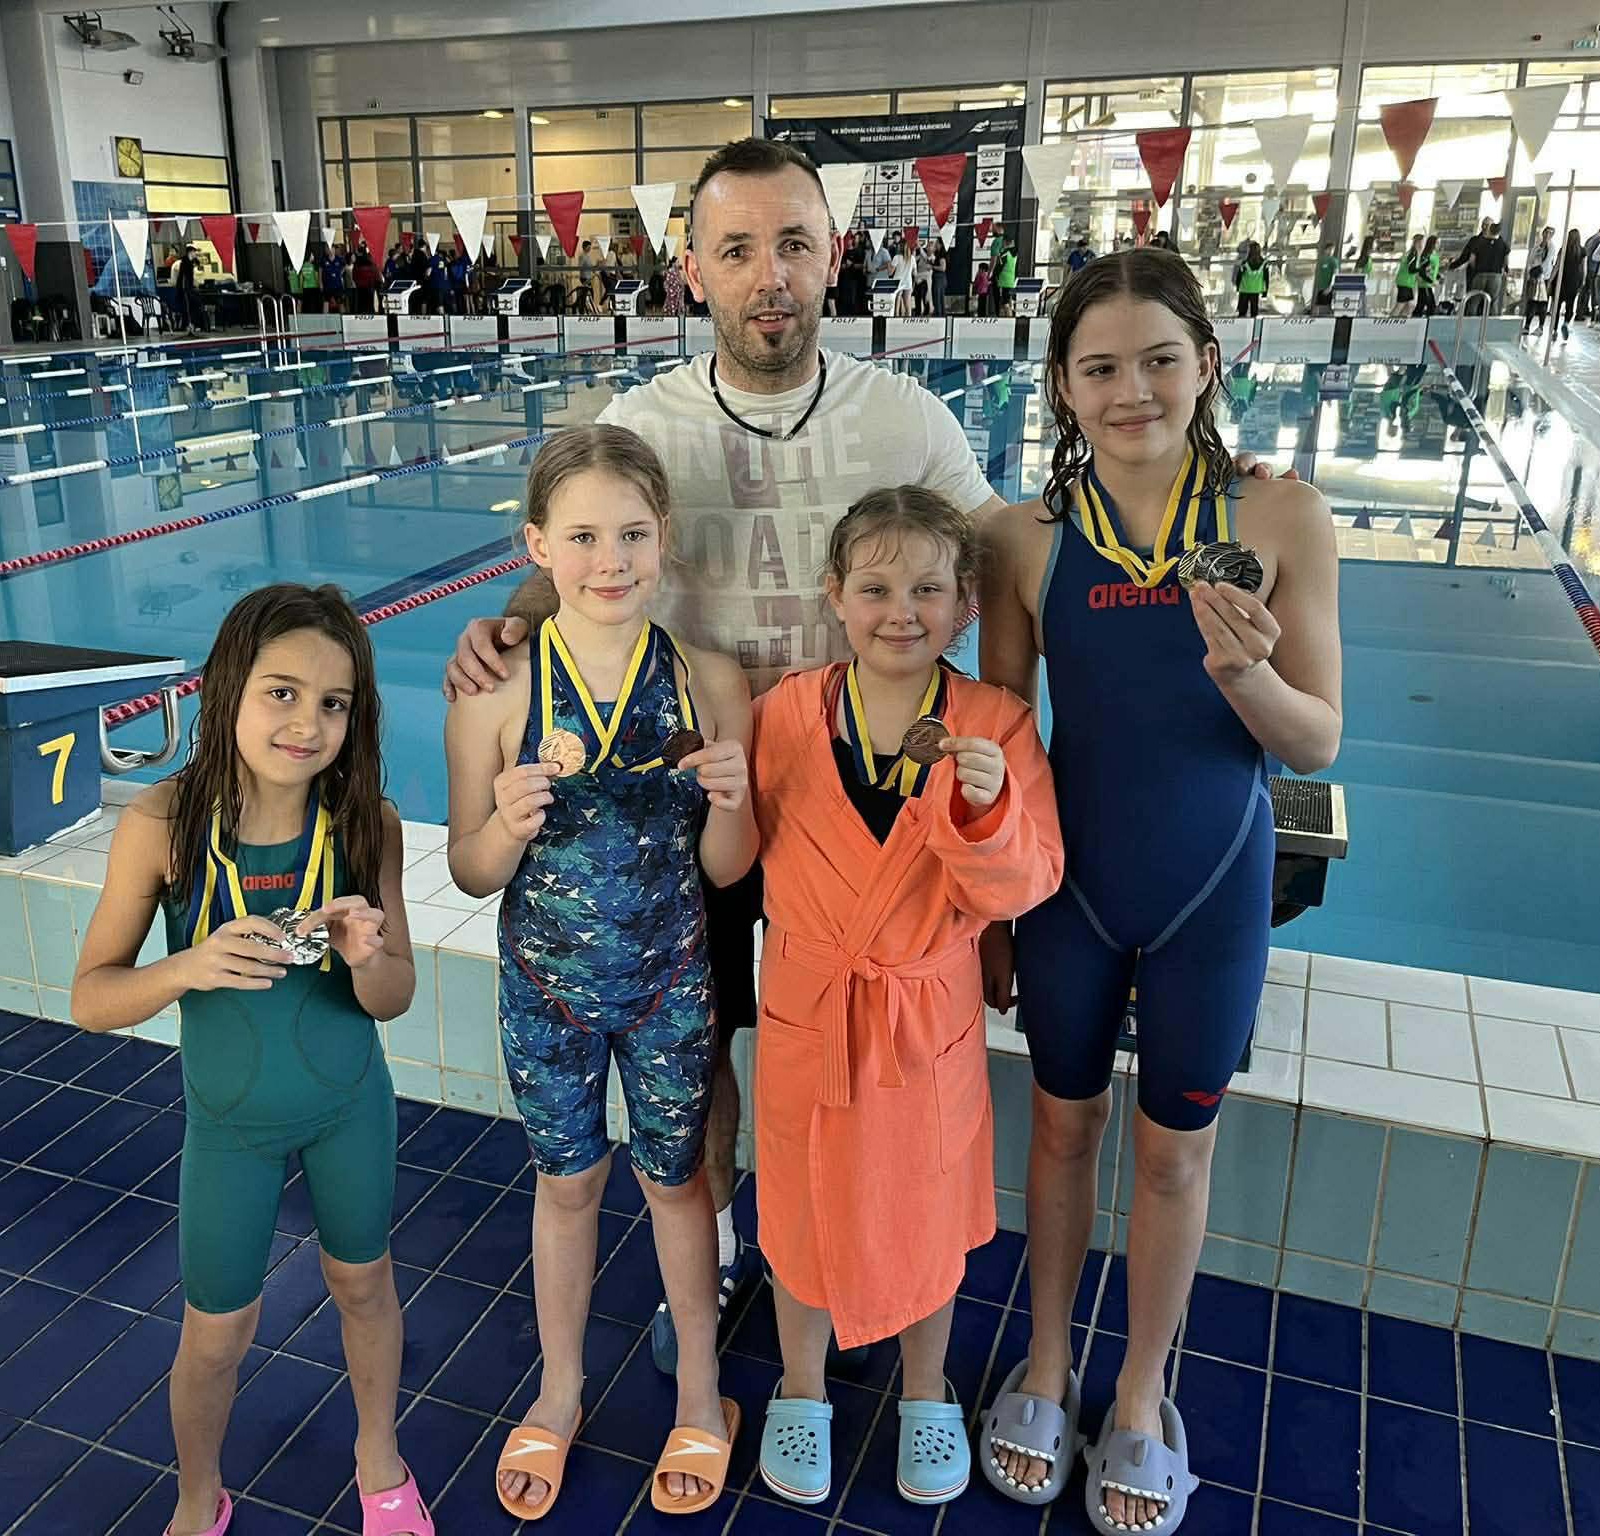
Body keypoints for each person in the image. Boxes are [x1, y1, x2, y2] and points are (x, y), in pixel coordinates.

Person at [439, 137, 1286, 1388]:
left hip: (866, 799)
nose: (768, 275)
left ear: (831, 255)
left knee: (845, 1052)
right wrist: (510, 621)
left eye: (792, 243)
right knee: (709, 1048)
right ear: (692, 269)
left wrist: (1208, 474)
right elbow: (584, 548)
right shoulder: (641, 422)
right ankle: (728, 1249)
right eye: (737, 249)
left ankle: (880, 1259)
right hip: (703, 792)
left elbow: (1008, 550)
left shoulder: (905, 417)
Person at [975, 246, 1340, 1534]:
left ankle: (1138, 1389)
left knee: (1175, 1155)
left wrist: (1245, 676)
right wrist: (988, 918)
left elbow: (1314, 741)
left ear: (1206, 364)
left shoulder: (1279, 519)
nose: (1130, 390)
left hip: (1211, 887)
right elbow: (1003, 742)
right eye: (1098, 368)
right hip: (1068, 889)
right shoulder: (1018, 538)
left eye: (1157, 360)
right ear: (1061, 387)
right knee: (1058, 1129)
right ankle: (1044, 1364)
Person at [71, 583, 434, 1536]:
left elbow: (394, 997)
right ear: (226, 689)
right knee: (216, 1335)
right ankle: (199, 1497)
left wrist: (367, 956)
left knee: (364, 1286)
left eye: (332, 702)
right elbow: (91, 998)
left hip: (349, 1107)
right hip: (229, 1128)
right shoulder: (164, 826)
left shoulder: (366, 824)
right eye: (281, 693)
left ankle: (380, 1460)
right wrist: (186, 966)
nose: (307, 724)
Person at [444, 424, 757, 1521]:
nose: (609, 560)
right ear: (537, 544)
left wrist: (734, 801)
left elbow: (729, 867)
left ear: (664, 538)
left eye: (630, 534)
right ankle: (560, 1387)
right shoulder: (495, 693)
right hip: (547, 992)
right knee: (567, 1184)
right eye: (581, 536)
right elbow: (469, 869)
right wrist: (503, 826)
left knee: (677, 1182)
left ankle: (703, 1393)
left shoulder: (709, 680)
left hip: (672, 983)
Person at [749, 487, 1063, 1510]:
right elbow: (736, 853)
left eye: (928, 590)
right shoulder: (785, 713)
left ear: (964, 604)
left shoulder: (996, 724)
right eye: (876, 588)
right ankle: (802, 1387)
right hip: (811, 1005)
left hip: (921, 1014)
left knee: (924, 1205)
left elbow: (1028, 883)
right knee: (798, 1203)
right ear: (834, 595)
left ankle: (927, 1392)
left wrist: (987, 808)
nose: (901, 612)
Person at [1446, 219, 1508, 315]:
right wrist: (1452, 266)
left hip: (1479, 274)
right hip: (1487, 275)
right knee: (1487, 301)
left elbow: (1470, 258)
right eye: (1484, 224)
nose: (1484, 227)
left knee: (1476, 301)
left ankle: (1477, 320)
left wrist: (1476, 269)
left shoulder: (1480, 241)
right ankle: (1481, 321)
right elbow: (1465, 257)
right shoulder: (1499, 242)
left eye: (1487, 225)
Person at [1522, 225, 1557, 337]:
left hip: (1543, 278)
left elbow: (1547, 263)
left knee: (1542, 303)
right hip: (1534, 278)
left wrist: (1538, 271)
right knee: (1531, 302)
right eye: (1546, 232)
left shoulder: (1551, 247)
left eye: (1550, 233)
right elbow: (1530, 260)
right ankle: (1527, 326)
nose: (1547, 235)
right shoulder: (1537, 247)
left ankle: (1540, 327)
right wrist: (1530, 272)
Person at [1553, 229, 1585, 341]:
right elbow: (1583, 268)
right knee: (1570, 305)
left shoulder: (1563, 250)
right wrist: (1582, 282)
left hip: (1562, 281)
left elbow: (1557, 266)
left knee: (1557, 306)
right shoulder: (1582, 251)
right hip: (1574, 281)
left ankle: (1554, 330)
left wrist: (1550, 280)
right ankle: (1566, 323)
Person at [1392, 233, 1426, 317]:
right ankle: (1390, 321)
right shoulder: (1413, 254)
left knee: (1409, 306)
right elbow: (1411, 269)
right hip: (1404, 282)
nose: (1424, 245)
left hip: (1408, 283)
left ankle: (1401, 320)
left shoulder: (1416, 254)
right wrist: (1420, 270)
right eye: (1423, 242)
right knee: (1400, 305)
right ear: (1418, 243)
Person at [1234, 240, 1269, 318]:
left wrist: (1237, 287)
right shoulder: (1264, 263)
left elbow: (1239, 276)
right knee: (1254, 311)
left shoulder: (1245, 263)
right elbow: (1266, 278)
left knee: (1242, 311)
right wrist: (1265, 292)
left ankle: (1242, 324)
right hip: (1256, 289)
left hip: (1244, 289)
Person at [1312, 243, 1340, 313]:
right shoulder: (1321, 260)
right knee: (1319, 306)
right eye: (1329, 249)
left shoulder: (1333, 260)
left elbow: (1335, 275)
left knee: (1327, 307)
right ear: (1325, 250)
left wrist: (1330, 287)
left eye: (1332, 249)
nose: (1330, 251)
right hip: (1321, 288)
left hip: (1328, 288)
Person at [930, 237, 949, 317]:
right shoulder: (937, 254)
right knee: (937, 297)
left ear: (941, 244)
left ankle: (939, 315)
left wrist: (932, 267)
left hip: (939, 278)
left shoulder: (941, 255)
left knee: (938, 298)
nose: (935, 244)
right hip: (938, 278)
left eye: (937, 243)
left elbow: (943, 268)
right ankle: (939, 314)